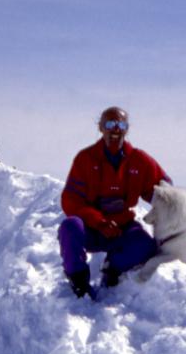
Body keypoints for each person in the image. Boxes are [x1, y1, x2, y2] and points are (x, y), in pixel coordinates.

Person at [59, 107, 170, 299]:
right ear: (101, 127)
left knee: (146, 246)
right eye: (110, 124)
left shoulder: (139, 161)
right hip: (92, 228)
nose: (115, 129)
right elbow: (71, 200)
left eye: (121, 125)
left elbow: (167, 192)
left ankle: (112, 268)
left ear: (127, 129)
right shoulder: (85, 159)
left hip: (122, 228)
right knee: (69, 228)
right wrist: (99, 222)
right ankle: (79, 281)